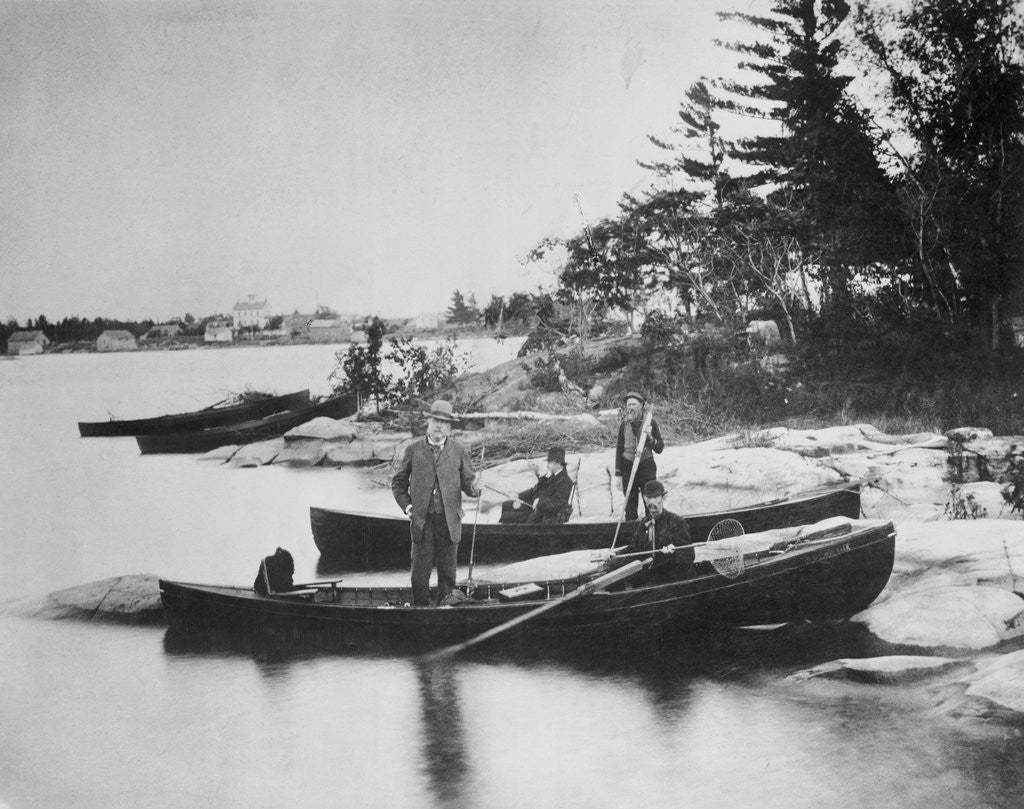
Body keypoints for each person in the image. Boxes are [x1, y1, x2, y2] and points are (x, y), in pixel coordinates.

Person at [391, 400, 481, 606]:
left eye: (444, 422)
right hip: (422, 522)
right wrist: (408, 507)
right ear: (429, 422)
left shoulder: (459, 451)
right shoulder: (413, 450)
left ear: (449, 427)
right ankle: (420, 612)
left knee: (448, 575)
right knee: (419, 575)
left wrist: (475, 487)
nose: (440, 425)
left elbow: (469, 484)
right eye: (436, 420)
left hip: (450, 523)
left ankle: (446, 608)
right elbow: (398, 483)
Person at [611, 480, 693, 584]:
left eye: (655, 497)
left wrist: (673, 552)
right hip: (651, 574)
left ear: (663, 498)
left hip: (672, 578)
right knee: (613, 569)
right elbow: (633, 549)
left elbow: (689, 555)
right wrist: (615, 554)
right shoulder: (644, 522)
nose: (651, 502)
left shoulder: (677, 522)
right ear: (644, 498)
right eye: (648, 498)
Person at [614, 391, 665, 520]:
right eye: (628, 405)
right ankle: (632, 528)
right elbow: (619, 449)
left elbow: (660, 448)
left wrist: (650, 437)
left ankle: (651, 527)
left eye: (634, 404)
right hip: (627, 465)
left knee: (650, 501)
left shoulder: (650, 422)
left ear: (641, 405)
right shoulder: (624, 424)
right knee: (630, 503)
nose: (630, 407)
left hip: (646, 465)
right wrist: (618, 474)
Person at [498, 446, 575, 524]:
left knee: (506, 516)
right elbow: (534, 490)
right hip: (533, 507)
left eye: (550, 462)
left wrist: (539, 502)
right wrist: (518, 495)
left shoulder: (565, 481)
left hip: (544, 515)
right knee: (507, 505)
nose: (548, 465)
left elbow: (559, 503)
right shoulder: (551, 476)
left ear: (558, 463)